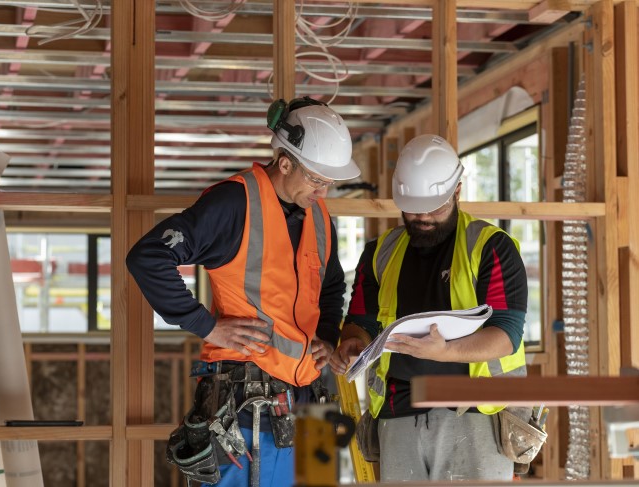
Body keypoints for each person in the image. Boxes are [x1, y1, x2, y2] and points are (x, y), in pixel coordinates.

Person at [126, 97, 360, 487]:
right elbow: (149, 256)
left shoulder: (318, 214)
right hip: (249, 407)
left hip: (313, 402)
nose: (324, 190)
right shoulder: (235, 203)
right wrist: (207, 325)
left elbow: (331, 284)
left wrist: (328, 335)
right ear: (285, 163)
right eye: (318, 179)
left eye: (330, 182)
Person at [330, 134, 528, 482]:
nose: (422, 216)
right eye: (412, 207)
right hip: (397, 415)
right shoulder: (380, 253)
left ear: (457, 191)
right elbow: (359, 321)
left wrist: (446, 351)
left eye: (434, 207)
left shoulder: (490, 247)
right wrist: (353, 343)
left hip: (475, 415)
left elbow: (505, 335)